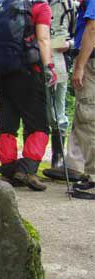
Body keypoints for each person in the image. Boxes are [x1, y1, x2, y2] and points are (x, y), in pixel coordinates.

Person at [0, 0, 56, 191]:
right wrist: (49, 66)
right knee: (38, 124)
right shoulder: (40, 7)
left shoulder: (2, 6)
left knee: (7, 124)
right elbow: (43, 39)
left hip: (1, 72)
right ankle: (27, 168)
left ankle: (9, 170)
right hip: (28, 72)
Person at [71, 0, 95, 199]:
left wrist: (80, 65)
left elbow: (93, 28)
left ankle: (94, 177)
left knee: (89, 118)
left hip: (92, 63)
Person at [48, 0, 76, 169]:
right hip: (37, 59)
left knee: (58, 110)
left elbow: (74, 33)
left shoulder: (69, 5)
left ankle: (57, 156)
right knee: (42, 110)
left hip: (58, 61)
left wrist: (69, 44)